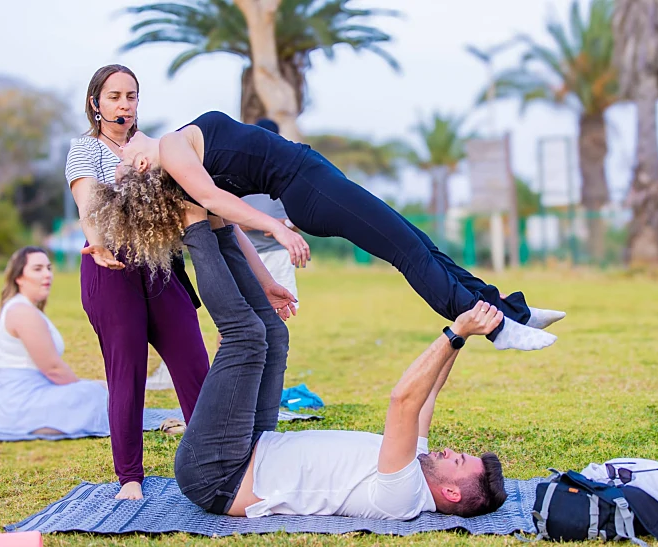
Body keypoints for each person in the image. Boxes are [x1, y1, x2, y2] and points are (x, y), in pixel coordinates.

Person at [97, 111, 565, 352]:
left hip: (313, 181)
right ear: (140, 164)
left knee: (421, 244)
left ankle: (508, 310)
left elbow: (231, 230)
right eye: (123, 152)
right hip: (308, 188)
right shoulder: (173, 149)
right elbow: (222, 204)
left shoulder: (180, 162)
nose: (127, 136)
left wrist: (270, 276)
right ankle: (497, 328)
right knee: (409, 252)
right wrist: (278, 230)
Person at [174, 293, 507, 519]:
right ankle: (222, 227)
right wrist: (466, 331)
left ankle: (202, 226)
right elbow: (429, 392)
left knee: (245, 336)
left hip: (220, 477)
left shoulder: (403, 495)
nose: (449, 450)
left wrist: (457, 331)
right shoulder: (415, 463)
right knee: (273, 333)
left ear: (450, 492)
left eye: (458, 460)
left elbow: (403, 401)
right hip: (251, 446)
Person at [65, 65, 211, 500]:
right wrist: (98, 244)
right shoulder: (84, 149)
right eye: (114, 96)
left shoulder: (155, 146)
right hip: (109, 266)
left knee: (194, 366)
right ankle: (130, 477)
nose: (124, 104)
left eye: (131, 96)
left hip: (161, 265)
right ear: (96, 103)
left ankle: (217, 465)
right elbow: (87, 202)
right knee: (126, 373)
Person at [0, 247, 109, 437]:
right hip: (22, 406)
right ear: (19, 277)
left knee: (102, 390)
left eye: (48, 268)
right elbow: (53, 369)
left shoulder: (25, 308)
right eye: (37, 269)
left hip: (25, 400)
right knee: (101, 394)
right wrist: (83, 388)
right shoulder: (22, 312)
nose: (47, 275)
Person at [240, 118, 300, 304]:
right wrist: (253, 223)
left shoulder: (286, 172)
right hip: (243, 252)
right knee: (240, 310)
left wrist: (283, 225)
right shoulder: (237, 169)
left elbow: (300, 219)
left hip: (277, 253)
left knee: (281, 307)